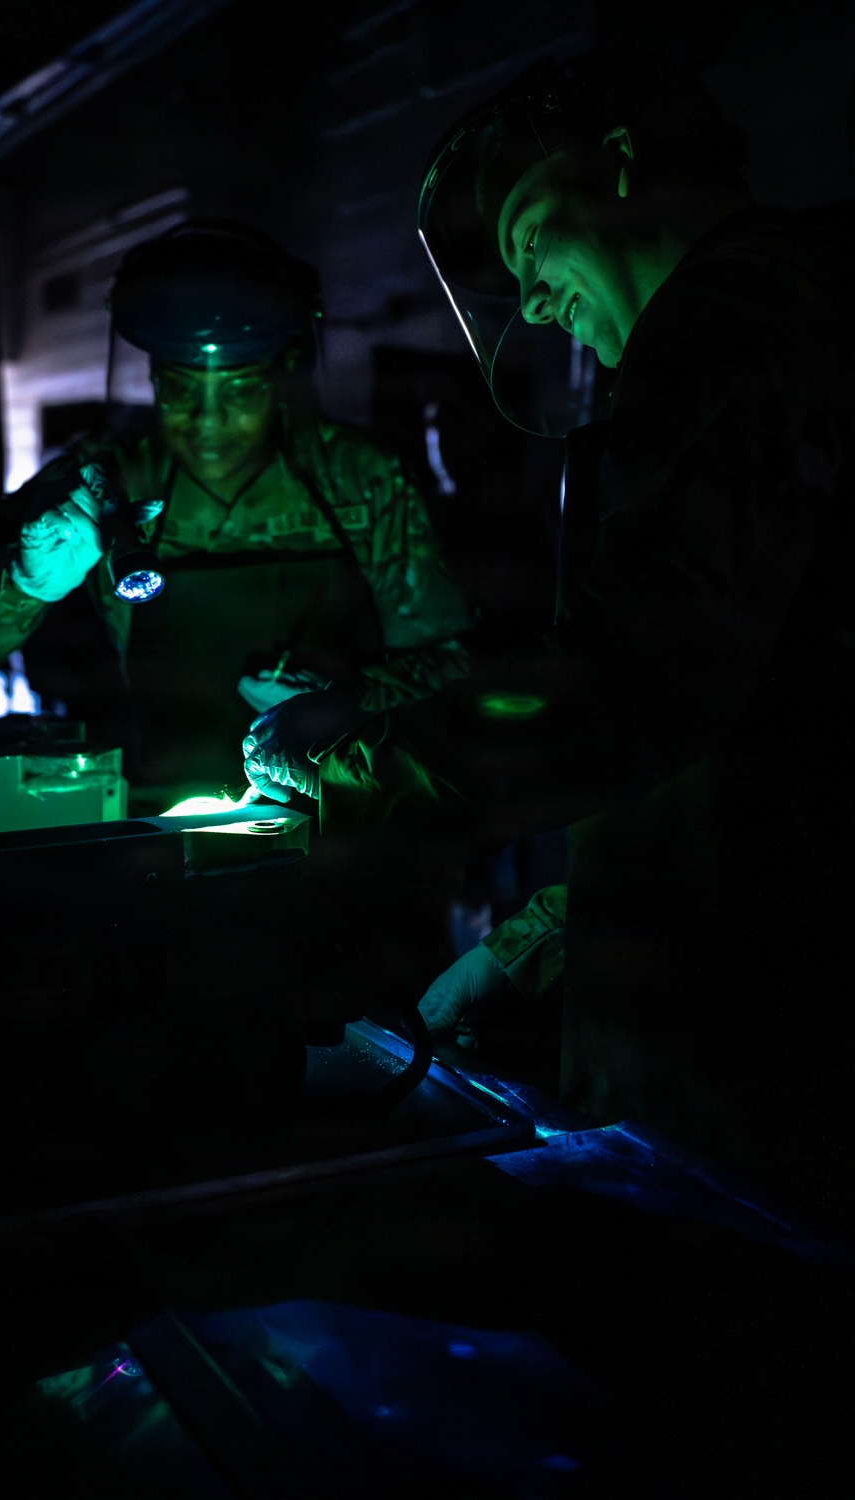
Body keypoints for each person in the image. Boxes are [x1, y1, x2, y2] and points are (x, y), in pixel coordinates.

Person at [242, 51, 855, 1237]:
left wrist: (348, 768)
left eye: (526, 246)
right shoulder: (787, 314)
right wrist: (539, 942)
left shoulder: (739, 318)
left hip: (768, 1035)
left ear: (620, 166)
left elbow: (638, 678)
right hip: (739, 985)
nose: (526, 301)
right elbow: (747, 722)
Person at [0, 221, 470, 815]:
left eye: (241, 391)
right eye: (179, 390)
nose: (207, 424)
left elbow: (454, 660)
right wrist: (23, 585)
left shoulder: (363, 478)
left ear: (285, 372)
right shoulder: (105, 481)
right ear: (152, 376)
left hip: (345, 811)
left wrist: (345, 697)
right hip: (162, 808)